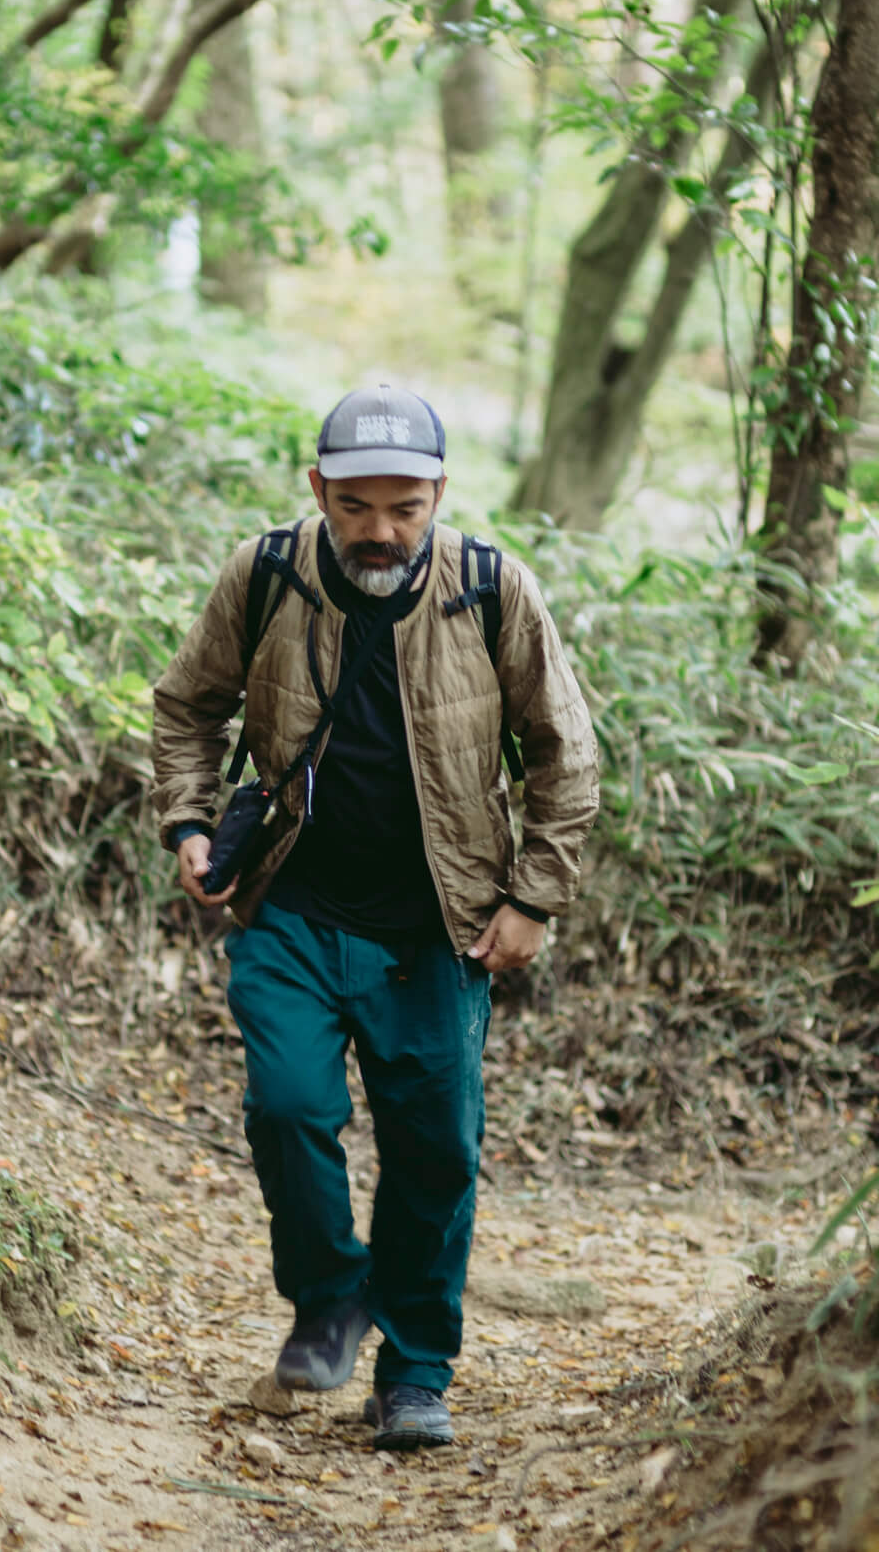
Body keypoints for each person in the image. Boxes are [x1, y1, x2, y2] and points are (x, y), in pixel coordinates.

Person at [150, 384, 600, 1450]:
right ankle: (331, 1292)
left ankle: (414, 1372)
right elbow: (186, 704)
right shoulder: (266, 573)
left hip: (437, 929)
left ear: (439, 492)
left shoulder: (492, 588)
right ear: (319, 489)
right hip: (294, 908)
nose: (381, 529)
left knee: (433, 1149)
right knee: (289, 1108)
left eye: (405, 506)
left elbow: (564, 752)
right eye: (356, 505)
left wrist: (533, 894)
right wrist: (189, 821)